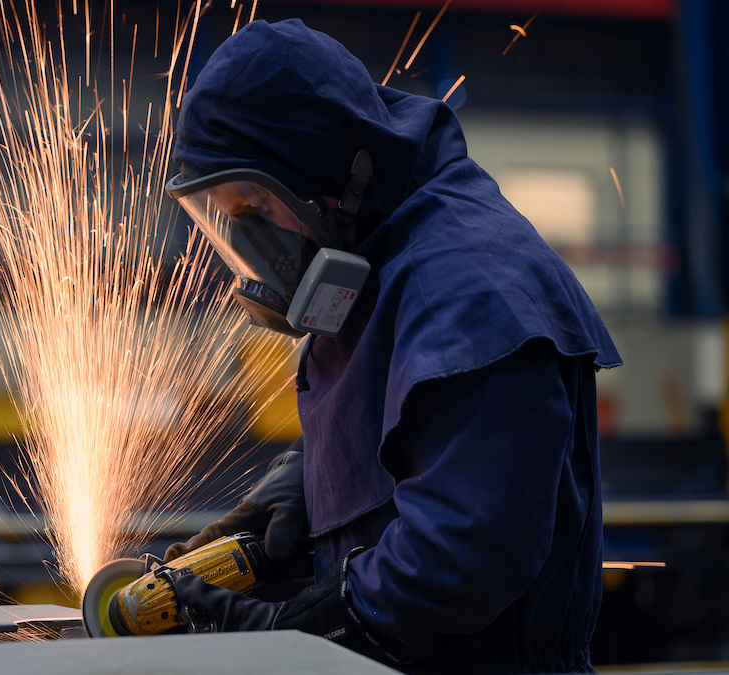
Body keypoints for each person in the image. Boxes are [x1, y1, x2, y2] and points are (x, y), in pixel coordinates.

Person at [160, 18, 621, 674]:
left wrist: (294, 628)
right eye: (223, 216)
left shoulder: (467, 287)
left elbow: (462, 554)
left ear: (324, 175)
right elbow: (413, 418)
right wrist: (300, 490)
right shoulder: (377, 251)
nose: (248, 243)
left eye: (253, 206)